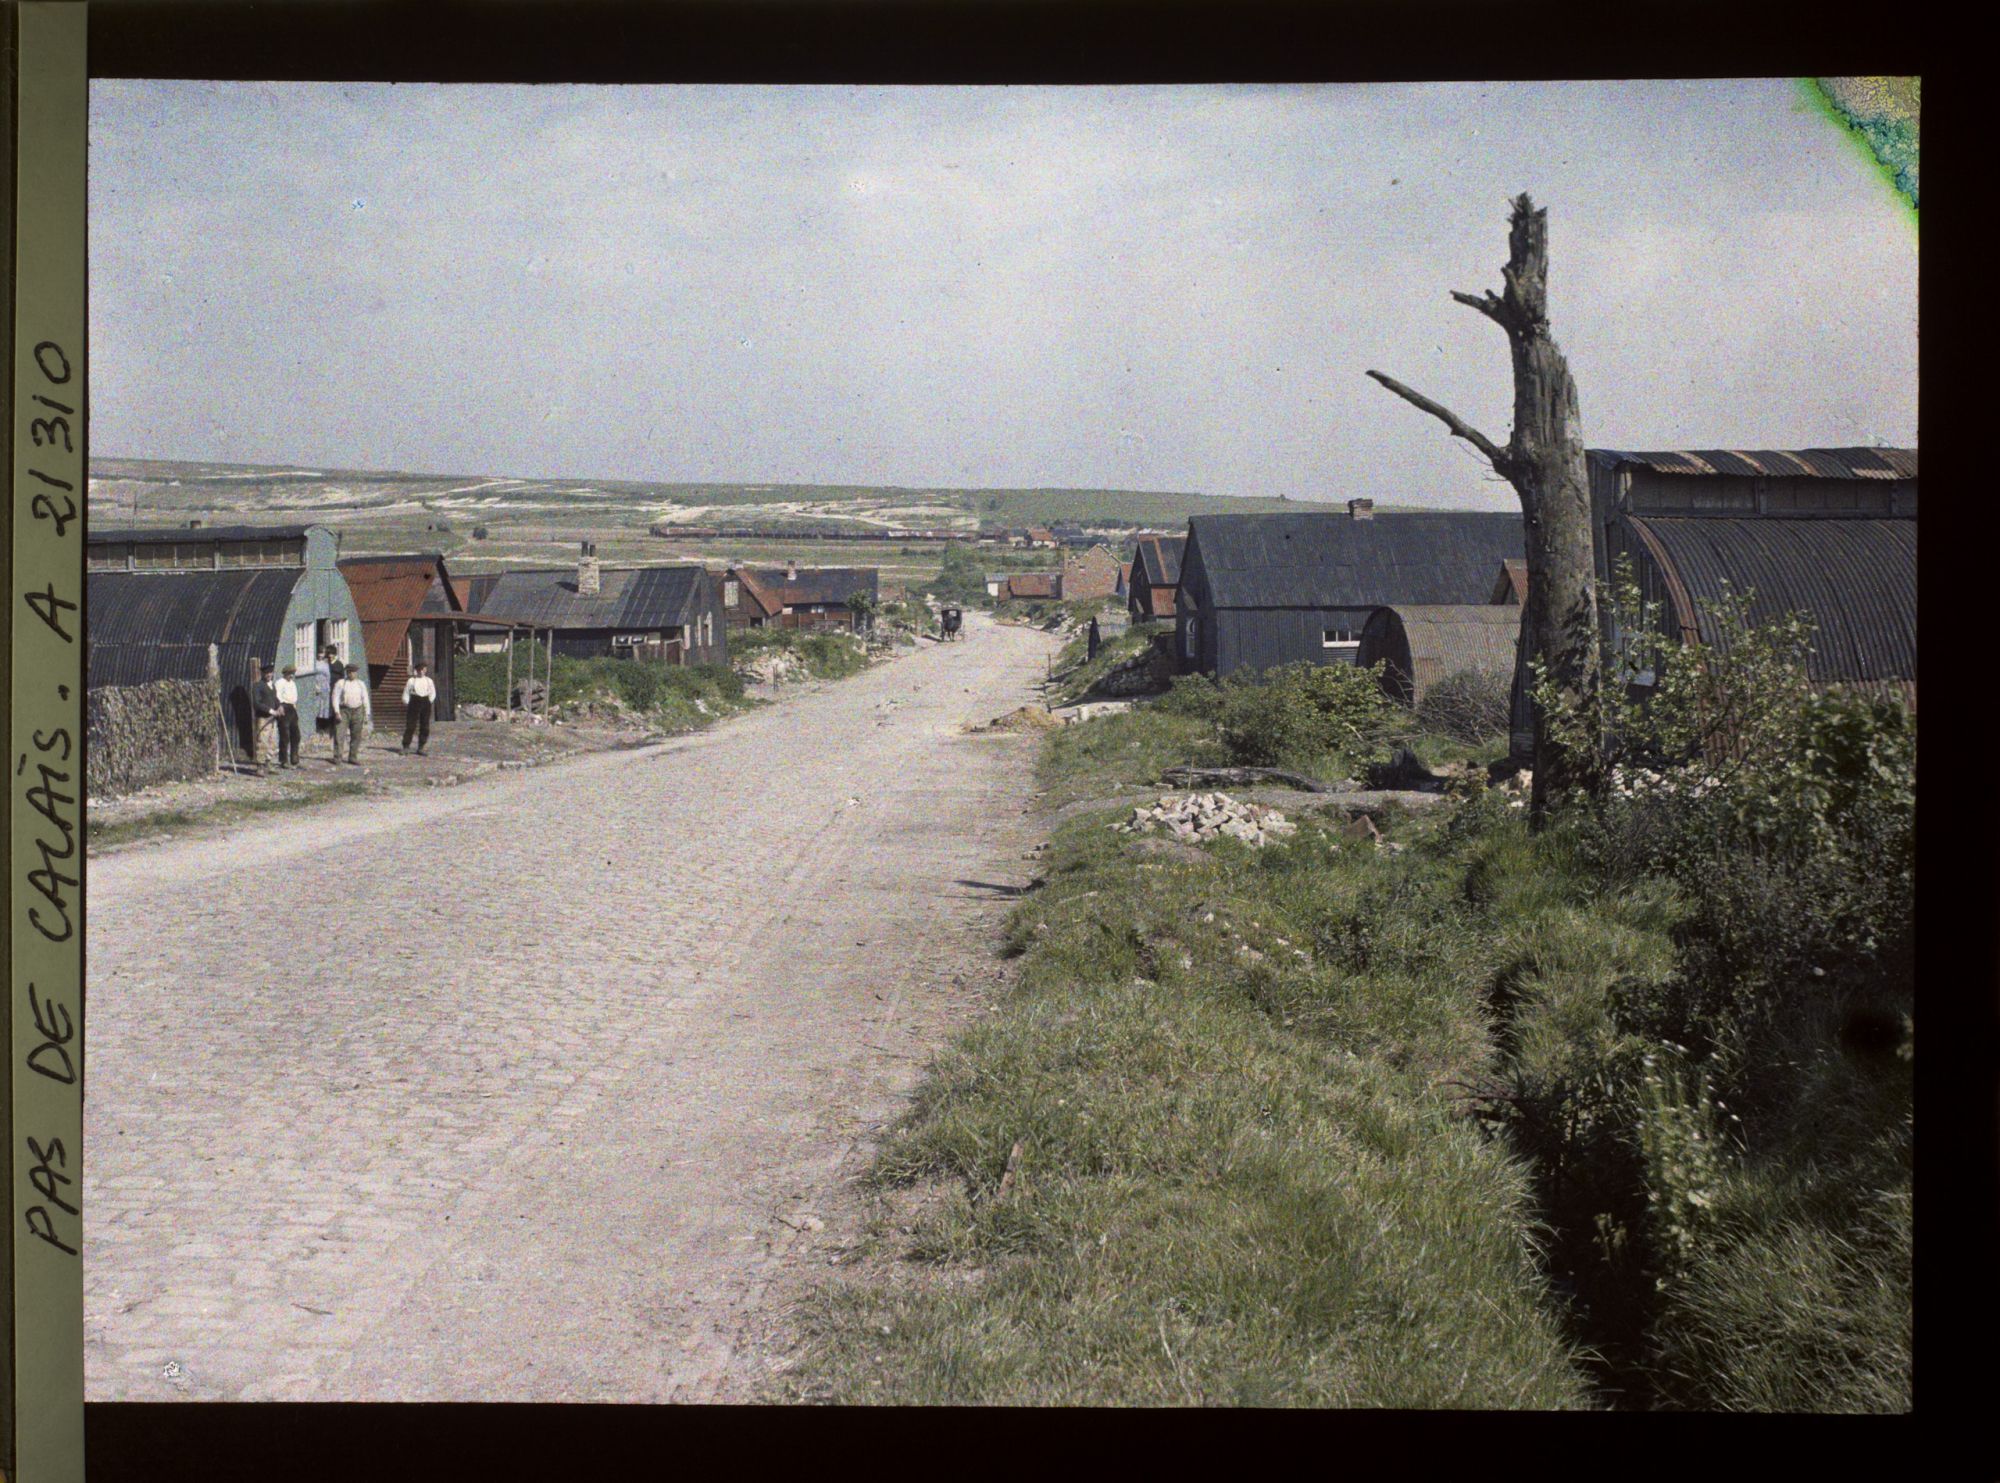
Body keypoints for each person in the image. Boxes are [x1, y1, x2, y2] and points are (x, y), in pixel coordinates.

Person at [332, 662, 372, 765]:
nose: (352, 674)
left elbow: (365, 699)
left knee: (356, 735)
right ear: (347, 672)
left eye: (354, 672)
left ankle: (353, 757)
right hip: (344, 710)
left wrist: (367, 713)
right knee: (339, 734)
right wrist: (337, 712)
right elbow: (335, 698)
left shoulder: (361, 684)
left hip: (358, 710)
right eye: (350, 672)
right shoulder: (341, 683)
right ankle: (337, 757)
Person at [249, 663, 281, 776]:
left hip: (273, 718)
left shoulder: (272, 685)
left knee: (272, 741)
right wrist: (272, 711)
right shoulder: (257, 686)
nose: (269, 675)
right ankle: (260, 766)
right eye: (267, 673)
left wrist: (279, 706)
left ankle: (269, 763)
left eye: (270, 673)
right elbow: (257, 703)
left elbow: (275, 699)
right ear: (263, 674)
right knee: (262, 741)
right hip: (263, 718)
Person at [401, 660, 437, 755]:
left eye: (423, 670)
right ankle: (406, 746)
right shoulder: (411, 681)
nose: (421, 672)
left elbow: (433, 693)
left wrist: (429, 701)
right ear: (416, 670)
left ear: (425, 670)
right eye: (420, 670)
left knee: (425, 726)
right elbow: (406, 693)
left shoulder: (429, 681)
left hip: (425, 702)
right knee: (411, 725)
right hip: (414, 702)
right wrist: (407, 702)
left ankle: (421, 747)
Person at [314, 644, 340, 759]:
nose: (321, 655)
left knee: (326, 707)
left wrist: (328, 687)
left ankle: (325, 727)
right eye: (320, 653)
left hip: (325, 686)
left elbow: (329, 676)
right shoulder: (315, 663)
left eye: (322, 653)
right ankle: (319, 727)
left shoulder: (327, 664)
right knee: (317, 707)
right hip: (317, 685)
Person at [274, 664, 303, 768]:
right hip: (283, 708)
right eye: (290, 674)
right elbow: (277, 697)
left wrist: (294, 709)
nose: (291, 676)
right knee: (285, 735)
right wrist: (280, 707)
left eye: (293, 674)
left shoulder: (293, 684)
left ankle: (294, 759)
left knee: (296, 735)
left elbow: (294, 698)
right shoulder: (279, 683)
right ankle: (283, 760)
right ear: (285, 673)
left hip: (292, 709)